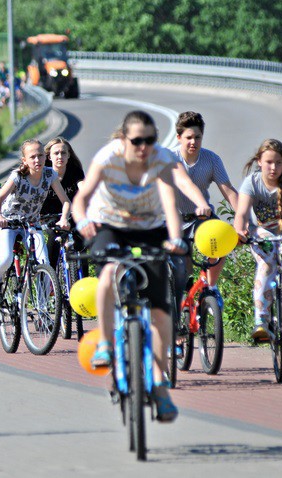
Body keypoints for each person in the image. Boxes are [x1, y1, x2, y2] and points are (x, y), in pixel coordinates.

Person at [72, 110, 203, 424]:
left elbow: (170, 205)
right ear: (123, 140)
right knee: (107, 272)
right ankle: (105, 343)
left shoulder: (161, 160)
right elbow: (82, 197)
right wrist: (83, 220)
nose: (143, 146)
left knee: (160, 309)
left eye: (150, 140)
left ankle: (158, 382)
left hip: (151, 228)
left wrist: (174, 240)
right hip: (110, 225)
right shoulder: (108, 157)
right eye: (137, 140)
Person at [233, 138, 282, 347]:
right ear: (259, 162)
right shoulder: (252, 183)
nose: (273, 168)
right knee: (266, 265)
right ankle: (261, 322)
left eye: (279, 163)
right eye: (269, 162)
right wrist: (240, 230)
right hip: (266, 235)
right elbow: (242, 213)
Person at [0, 139, 71, 305]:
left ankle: (43, 307)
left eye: (40, 156)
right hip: (9, 222)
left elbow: (66, 201)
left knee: (44, 263)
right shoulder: (17, 176)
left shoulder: (50, 175)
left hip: (32, 224)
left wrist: (64, 218)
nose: (37, 160)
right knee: (5, 258)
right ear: (24, 160)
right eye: (32, 157)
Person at [171, 111, 239, 302]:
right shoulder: (170, 158)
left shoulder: (211, 159)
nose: (193, 142)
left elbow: (229, 190)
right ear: (179, 138)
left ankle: (210, 287)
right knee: (182, 275)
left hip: (201, 217)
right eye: (188, 137)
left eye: (198, 137)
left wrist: (244, 220)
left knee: (222, 236)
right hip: (174, 221)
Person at [40, 137, 86, 270]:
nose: (60, 156)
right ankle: (51, 279)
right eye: (56, 153)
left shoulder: (75, 171)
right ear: (49, 156)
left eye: (63, 153)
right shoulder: (44, 173)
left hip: (71, 214)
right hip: (49, 215)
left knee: (80, 241)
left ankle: (83, 280)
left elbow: (83, 190)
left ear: (69, 155)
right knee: (55, 237)